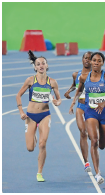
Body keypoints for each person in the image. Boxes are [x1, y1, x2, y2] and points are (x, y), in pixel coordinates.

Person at [69, 52, 105, 185]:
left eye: (98, 61)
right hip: (90, 112)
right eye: (93, 60)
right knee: (94, 140)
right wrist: (74, 101)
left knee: (101, 145)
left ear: (102, 63)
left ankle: (97, 161)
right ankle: (98, 174)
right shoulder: (84, 77)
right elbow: (79, 89)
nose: (95, 62)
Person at [16, 50, 62, 182]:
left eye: (43, 63)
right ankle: (33, 134)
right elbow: (18, 95)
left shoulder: (52, 82)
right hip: (30, 116)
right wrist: (21, 112)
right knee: (30, 148)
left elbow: (59, 99)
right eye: (38, 64)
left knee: (42, 144)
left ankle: (39, 173)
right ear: (35, 67)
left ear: (47, 65)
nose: (41, 65)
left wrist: (56, 102)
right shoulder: (30, 80)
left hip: (45, 115)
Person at [64, 51, 92, 172]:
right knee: (82, 132)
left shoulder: (96, 75)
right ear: (82, 59)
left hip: (92, 106)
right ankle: (86, 161)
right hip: (80, 106)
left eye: (89, 59)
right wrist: (68, 91)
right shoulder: (76, 74)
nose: (87, 60)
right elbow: (75, 85)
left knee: (92, 135)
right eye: (85, 58)